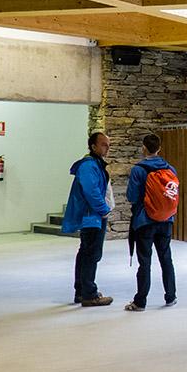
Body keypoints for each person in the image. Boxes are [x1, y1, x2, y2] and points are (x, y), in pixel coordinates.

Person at [124, 133, 178, 311]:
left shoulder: (138, 170)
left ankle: (140, 301)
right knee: (166, 258)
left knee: (145, 262)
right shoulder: (170, 169)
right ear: (159, 148)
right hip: (166, 220)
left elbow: (132, 196)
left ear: (143, 148)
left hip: (144, 221)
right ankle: (171, 296)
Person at [61, 131, 114, 307]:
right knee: (91, 254)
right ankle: (89, 294)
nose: (107, 147)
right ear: (93, 146)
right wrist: (103, 210)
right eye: (104, 144)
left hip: (93, 216)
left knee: (85, 253)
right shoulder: (89, 166)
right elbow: (92, 191)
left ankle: (82, 291)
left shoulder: (94, 164)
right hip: (92, 217)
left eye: (108, 144)